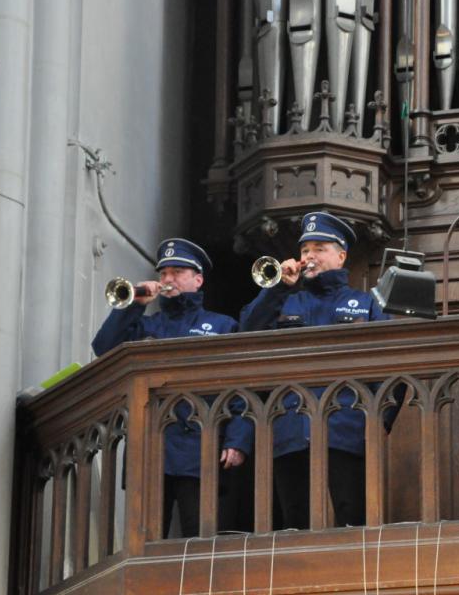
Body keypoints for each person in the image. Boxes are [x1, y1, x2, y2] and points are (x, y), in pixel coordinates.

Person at [239, 211, 402, 529]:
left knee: (351, 514)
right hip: (290, 426)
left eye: (318, 248)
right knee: (294, 520)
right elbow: (247, 331)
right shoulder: (286, 300)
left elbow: (392, 365)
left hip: (345, 427)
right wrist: (277, 289)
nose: (309, 256)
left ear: (340, 256)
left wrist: (382, 419)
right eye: (304, 250)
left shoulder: (366, 303)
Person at [92, 238, 251, 538]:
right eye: (163, 273)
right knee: (146, 538)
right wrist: (134, 305)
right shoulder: (147, 325)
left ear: (198, 279)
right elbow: (104, 347)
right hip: (151, 445)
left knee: (198, 536)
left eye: (177, 272)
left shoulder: (221, 326)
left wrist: (238, 439)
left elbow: (239, 386)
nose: (167, 279)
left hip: (200, 446)